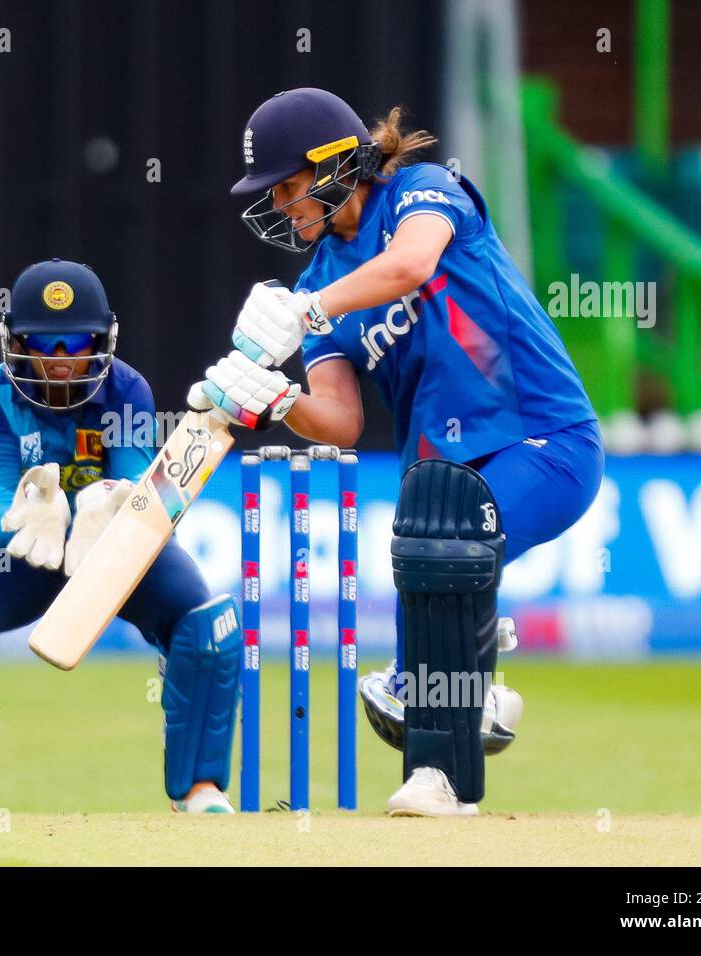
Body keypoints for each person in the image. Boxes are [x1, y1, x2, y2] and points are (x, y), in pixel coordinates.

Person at [190, 88, 604, 816]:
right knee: (431, 544)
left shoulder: (423, 190)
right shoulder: (317, 282)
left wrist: (310, 310)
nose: (282, 207)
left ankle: (442, 771)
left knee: (446, 548)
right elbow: (341, 419)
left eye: (287, 187)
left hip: (547, 439)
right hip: (443, 481)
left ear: (332, 164)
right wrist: (272, 400)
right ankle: (471, 676)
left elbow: (411, 265)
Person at [0, 259, 241, 815]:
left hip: (112, 544)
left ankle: (199, 788)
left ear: (101, 338)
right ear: (16, 341)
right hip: (24, 550)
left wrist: (110, 500)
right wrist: (24, 510)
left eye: (76, 341)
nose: (62, 360)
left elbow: (140, 477)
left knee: (208, 628)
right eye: (45, 343)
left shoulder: (128, 387)